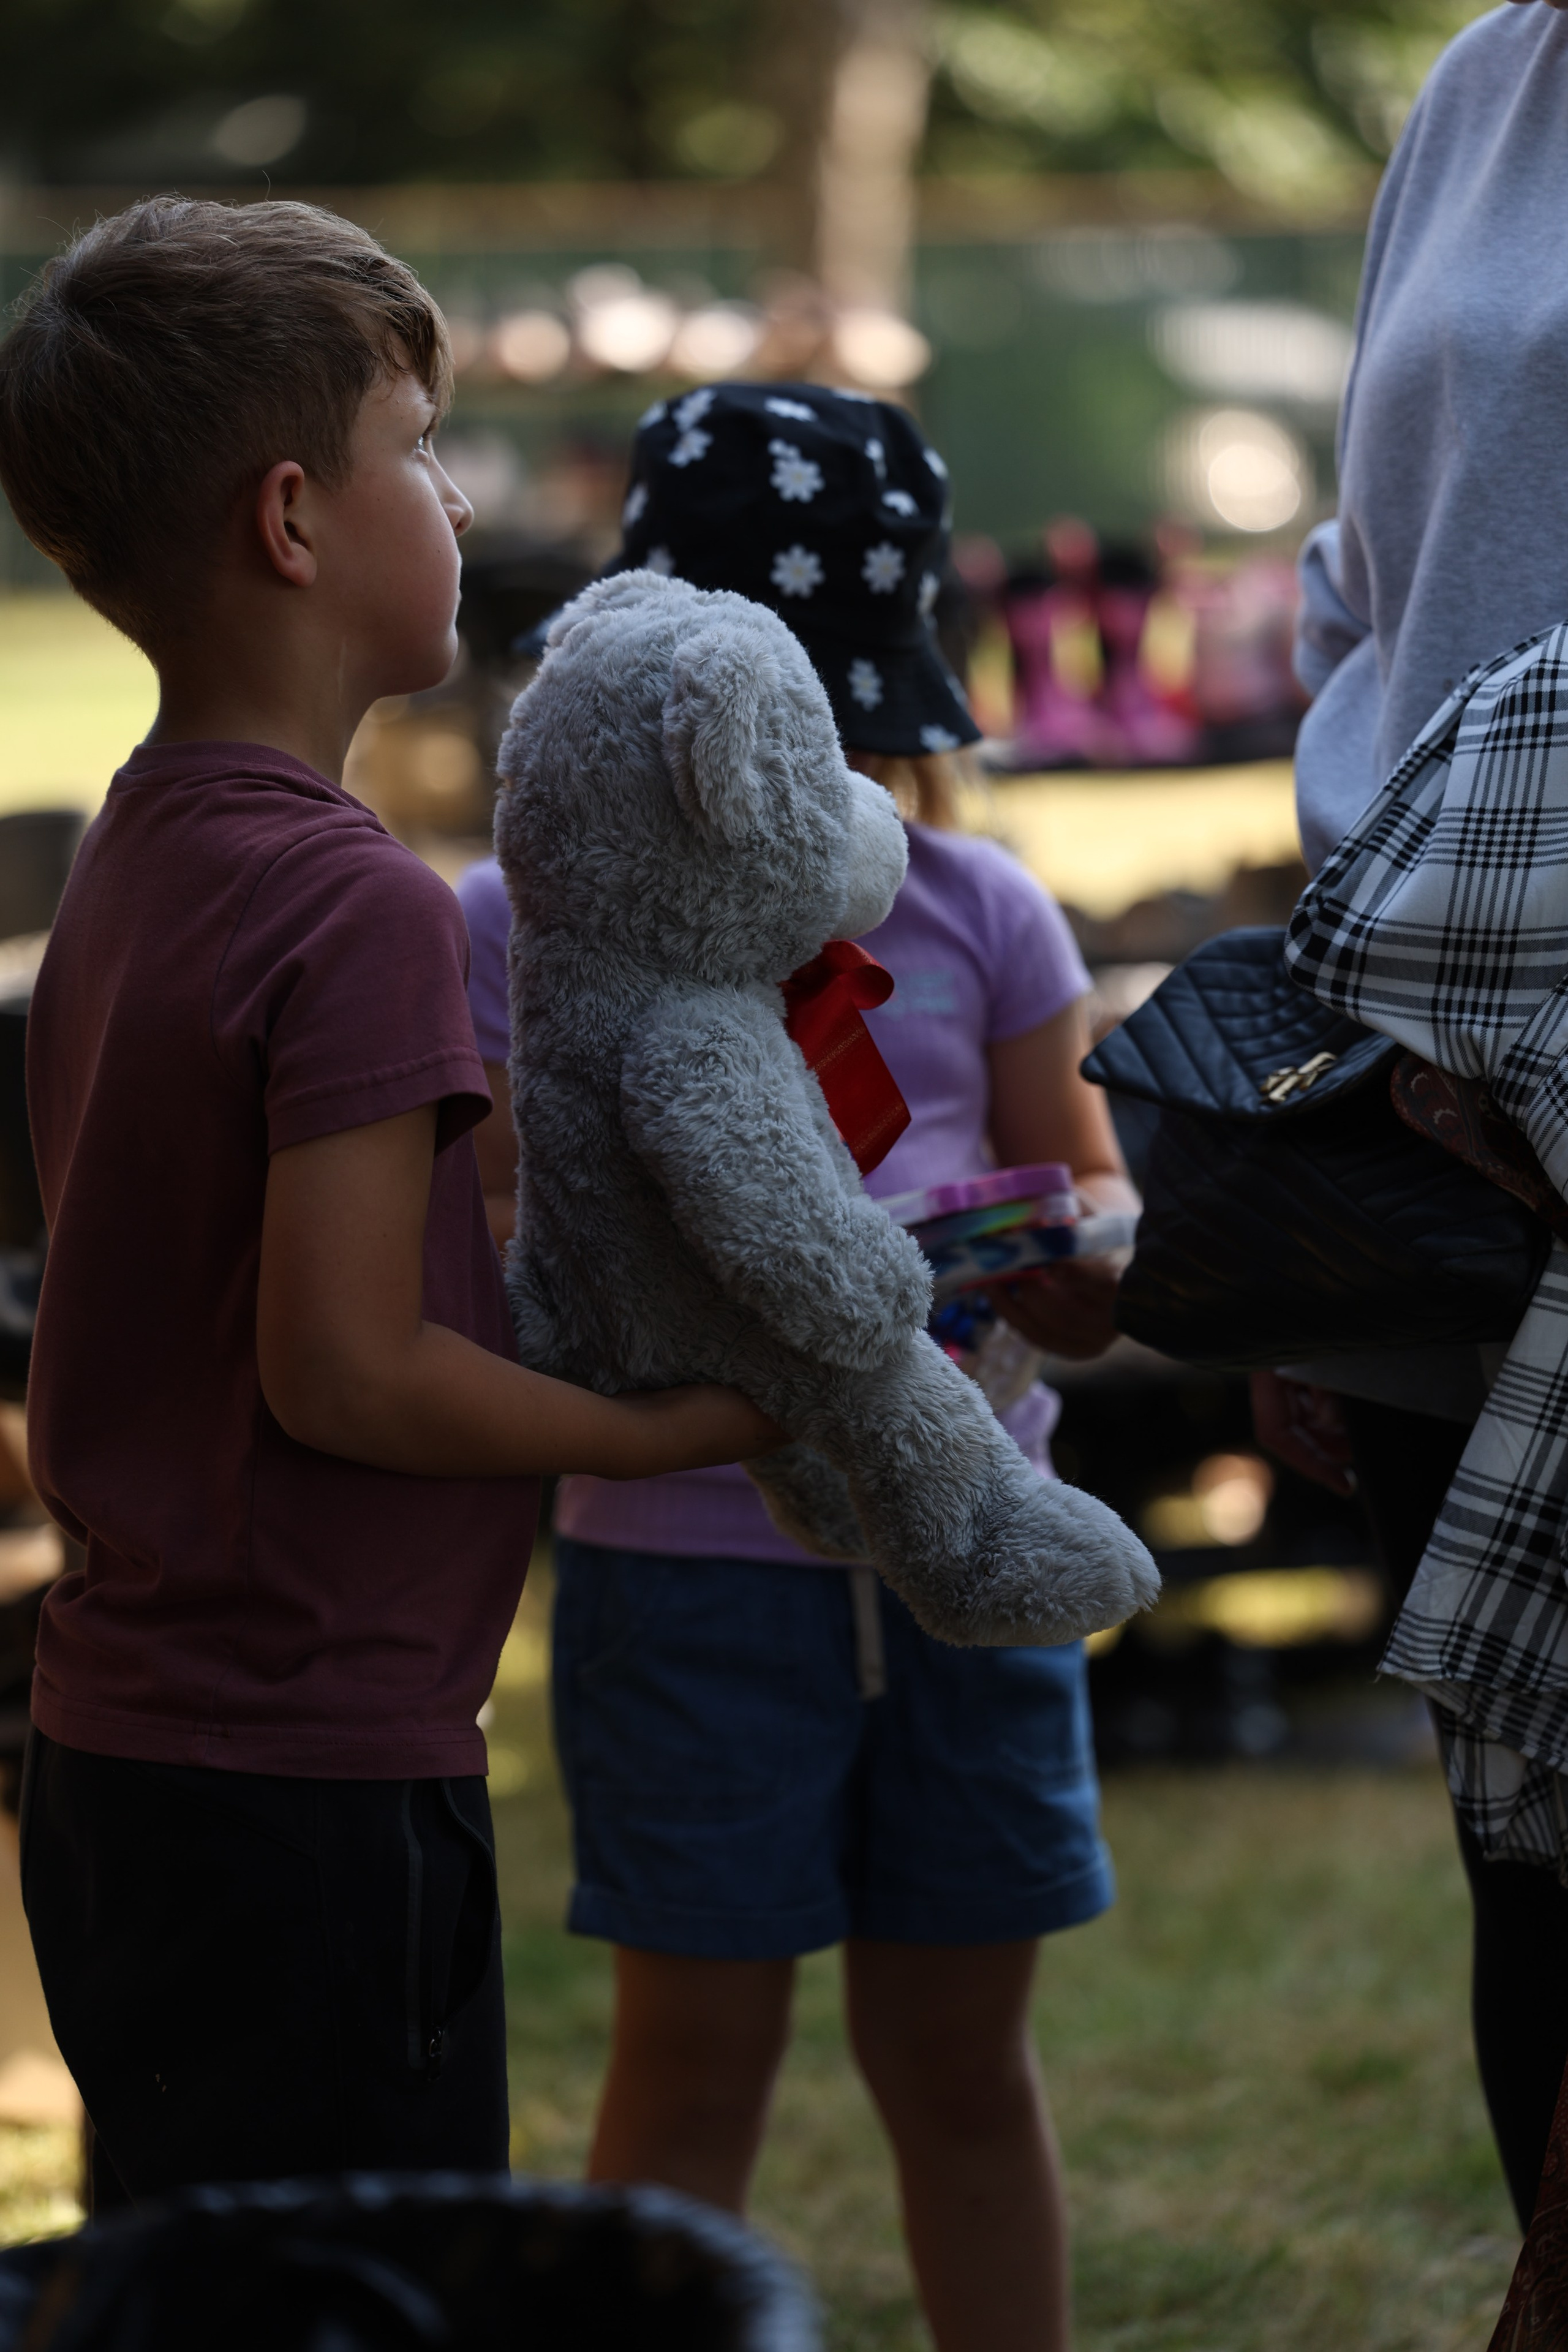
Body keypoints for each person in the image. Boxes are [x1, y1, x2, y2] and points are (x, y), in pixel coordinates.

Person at [0, 200, 777, 2210]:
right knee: (362, 2293)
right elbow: (344, 1367)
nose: (455, 491)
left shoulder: (142, 843)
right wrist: (671, 1432)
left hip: (133, 1760)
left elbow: (233, 1224)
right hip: (305, 1782)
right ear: (293, 522)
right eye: (422, 445)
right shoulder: (355, 897)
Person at [459, 382, 1138, 2352]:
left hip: (971, 1525)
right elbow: (539, 1241)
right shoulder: (514, 932)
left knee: (961, 2061)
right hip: (687, 1566)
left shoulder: (982, 905)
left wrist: (1079, 1265)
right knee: (689, 2067)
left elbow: (1083, 1185)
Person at [1254, 0, 1568, 2234]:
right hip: (1422, 1113)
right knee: (1526, 1867)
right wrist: (1320, 1136)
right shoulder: (1477, 80)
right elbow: (1357, 603)